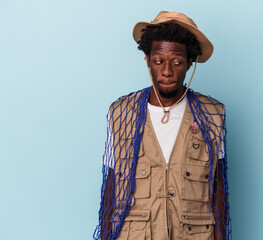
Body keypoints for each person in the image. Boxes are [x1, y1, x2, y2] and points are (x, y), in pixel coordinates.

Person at [94, 11, 231, 240]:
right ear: (148, 60)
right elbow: (110, 187)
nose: (167, 71)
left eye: (177, 62)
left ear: (189, 63)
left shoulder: (212, 115)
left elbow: (218, 191)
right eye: (159, 61)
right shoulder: (120, 114)